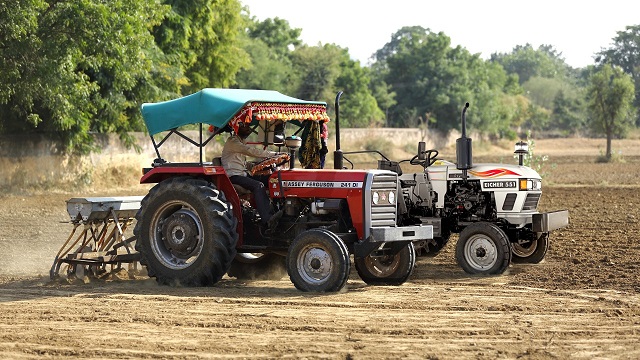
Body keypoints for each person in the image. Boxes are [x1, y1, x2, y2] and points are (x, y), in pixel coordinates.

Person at [221, 122, 281, 229]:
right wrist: (274, 155)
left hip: (243, 174)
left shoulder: (240, 142)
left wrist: (258, 165)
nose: (248, 129)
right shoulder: (233, 142)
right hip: (234, 176)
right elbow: (250, 151)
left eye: (249, 127)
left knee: (272, 179)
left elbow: (242, 163)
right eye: (245, 126)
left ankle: (277, 209)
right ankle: (267, 220)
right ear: (237, 128)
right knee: (258, 185)